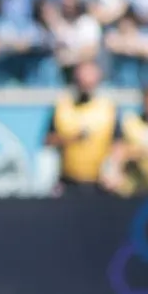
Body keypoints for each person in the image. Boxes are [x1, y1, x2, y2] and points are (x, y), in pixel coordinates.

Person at [44, 61, 122, 196]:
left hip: (100, 182)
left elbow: (118, 143)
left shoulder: (108, 108)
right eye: (82, 80)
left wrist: (115, 169)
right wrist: (71, 138)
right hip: (68, 181)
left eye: (90, 81)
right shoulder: (62, 107)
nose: (86, 85)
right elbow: (49, 140)